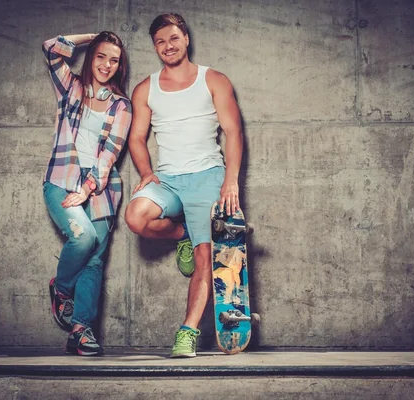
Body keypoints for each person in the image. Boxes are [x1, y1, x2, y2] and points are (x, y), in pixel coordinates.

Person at [124, 13, 243, 358]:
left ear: (185, 38)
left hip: (207, 176)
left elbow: (234, 133)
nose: (167, 46)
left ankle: (187, 331)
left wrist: (230, 182)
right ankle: (184, 235)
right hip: (168, 179)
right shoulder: (146, 88)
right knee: (136, 217)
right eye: (160, 42)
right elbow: (136, 137)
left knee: (208, 257)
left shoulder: (214, 80)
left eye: (173, 38)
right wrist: (146, 172)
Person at [41, 32, 132, 356]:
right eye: (101, 55)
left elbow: (110, 153)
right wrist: (93, 36)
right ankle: (62, 289)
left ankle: (81, 331)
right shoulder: (71, 87)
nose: (107, 64)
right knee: (83, 238)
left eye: (114, 59)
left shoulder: (121, 105)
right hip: (61, 179)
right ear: (91, 55)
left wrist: (88, 188)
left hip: (101, 188)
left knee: (94, 260)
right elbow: (51, 47)